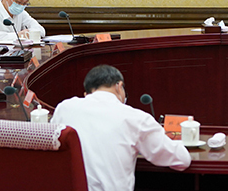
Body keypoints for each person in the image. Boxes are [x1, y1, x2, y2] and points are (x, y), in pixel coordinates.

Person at [50, 64, 191, 191]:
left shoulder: (64, 108)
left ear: (88, 92)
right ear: (119, 86)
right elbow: (182, 160)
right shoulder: (135, 117)